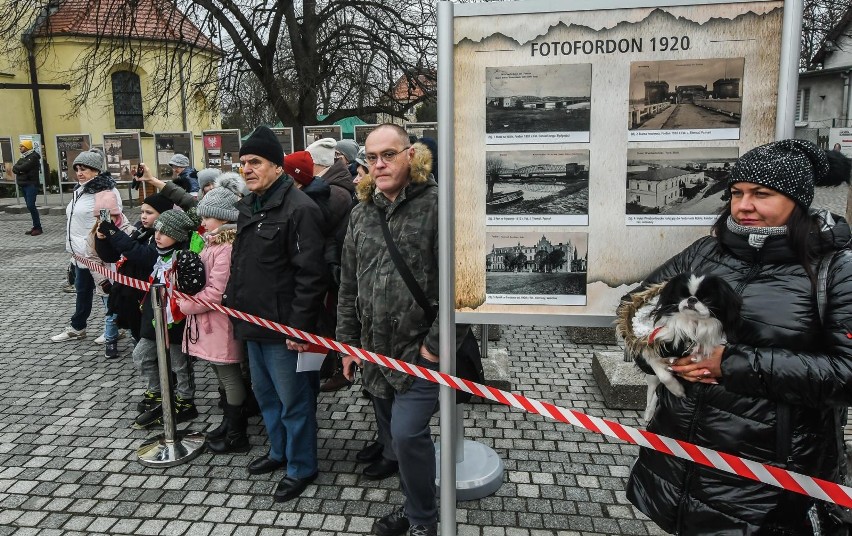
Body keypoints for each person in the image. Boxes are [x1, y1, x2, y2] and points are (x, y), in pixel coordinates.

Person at [622, 139, 852, 534]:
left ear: (798, 200)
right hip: (680, 456)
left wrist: (729, 364)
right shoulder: (703, 253)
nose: (743, 206)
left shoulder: (836, 271)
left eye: (761, 194)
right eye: (736, 193)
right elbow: (636, 312)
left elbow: (845, 373)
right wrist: (667, 355)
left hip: (770, 476)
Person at [337, 124, 460, 536]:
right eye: (371, 157)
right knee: (395, 441)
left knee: (408, 436)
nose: (379, 164)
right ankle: (413, 510)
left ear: (411, 154)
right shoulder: (361, 212)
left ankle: (424, 521)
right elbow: (349, 285)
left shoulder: (439, 206)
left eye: (388, 154)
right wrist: (348, 345)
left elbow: (459, 288)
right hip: (375, 354)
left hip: (418, 353)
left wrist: (434, 349)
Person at [225, 125, 327, 502]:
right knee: (266, 398)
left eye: (255, 162)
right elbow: (244, 264)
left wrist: (299, 330)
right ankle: (280, 452)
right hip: (253, 324)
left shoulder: (300, 209)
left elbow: (311, 276)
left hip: (286, 331)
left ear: (277, 166)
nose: (247, 169)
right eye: (242, 163)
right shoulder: (250, 205)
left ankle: (302, 466)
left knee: (295, 402)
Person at [176, 186, 247, 453]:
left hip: (219, 323)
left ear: (223, 218)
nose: (202, 222)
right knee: (220, 374)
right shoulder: (214, 242)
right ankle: (229, 424)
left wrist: (186, 305)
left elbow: (216, 291)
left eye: (207, 216)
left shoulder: (226, 247)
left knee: (229, 376)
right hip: (210, 323)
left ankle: (237, 434)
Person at [126, 208, 200, 429]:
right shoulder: (158, 255)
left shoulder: (184, 256)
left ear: (177, 236)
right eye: (157, 230)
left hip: (176, 321)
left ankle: (186, 400)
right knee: (141, 355)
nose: (157, 236)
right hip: (155, 319)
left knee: (179, 363)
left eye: (164, 232)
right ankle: (158, 392)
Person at [51, 149, 123, 343]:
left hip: (96, 252)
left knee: (105, 291)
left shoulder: (105, 191)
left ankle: (115, 326)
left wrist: (101, 244)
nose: (80, 173)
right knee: (82, 290)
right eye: (77, 169)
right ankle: (78, 327)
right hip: (79, 253)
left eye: (85, 169)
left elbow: (111, 221)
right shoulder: (80, 189)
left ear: (96, 171)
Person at [87, 191, 132, 358]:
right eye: (101, 217)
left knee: (130, 311)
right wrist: (102, 281)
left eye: (110, 216)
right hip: (108, 283)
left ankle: (135, 338)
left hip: (126, 281)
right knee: (111, 315)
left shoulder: (127, 230)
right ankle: (110, 341)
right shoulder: (93, 235)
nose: (105, 221)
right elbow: (92, 260)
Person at [13, 139, 42, 236]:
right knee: (30, 206)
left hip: (31, 184)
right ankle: (35, 226)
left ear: (27, 147)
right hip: (24, 185)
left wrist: (21, 170)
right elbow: (15, 168)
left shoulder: (33, 157)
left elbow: (22, 168)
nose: (19, 148)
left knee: (31, 205)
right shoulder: (23, 157)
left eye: (22, 146)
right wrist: (20, 170)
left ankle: (38, 227)